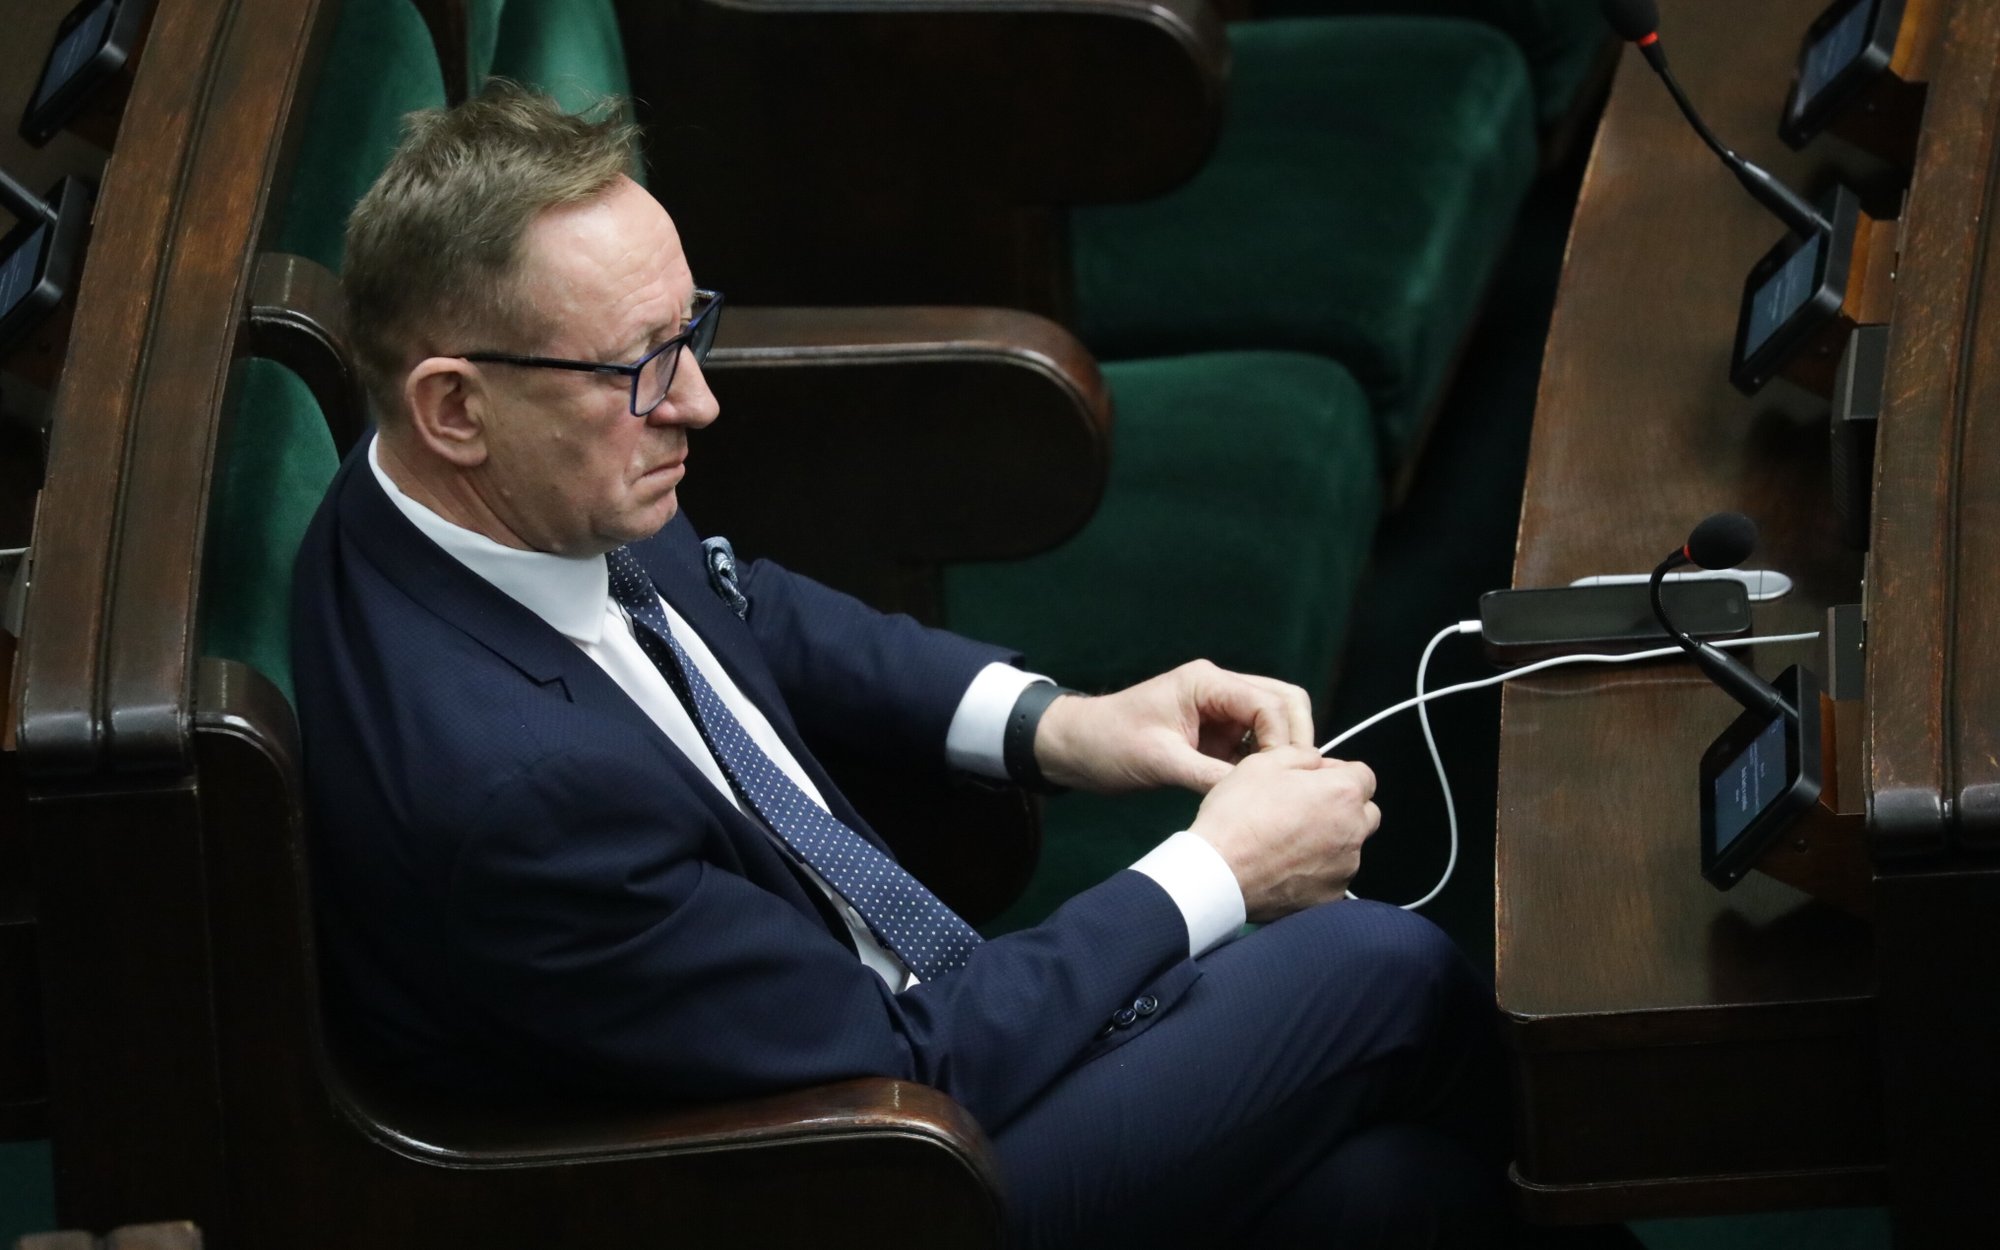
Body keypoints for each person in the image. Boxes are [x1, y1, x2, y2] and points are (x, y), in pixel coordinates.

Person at [293, 85, 1512, 1248]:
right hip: (861, 1183)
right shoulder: (522, 798)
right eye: (644, 367)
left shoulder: (474, 483)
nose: (698, 402)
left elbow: (740, 603)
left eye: (687, 333)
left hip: (894, 1052)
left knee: (1388, 1194)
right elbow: (901, 1060)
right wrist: (1217, 871)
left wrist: (1062, 723)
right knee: (1377, 965)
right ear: (454, 407)